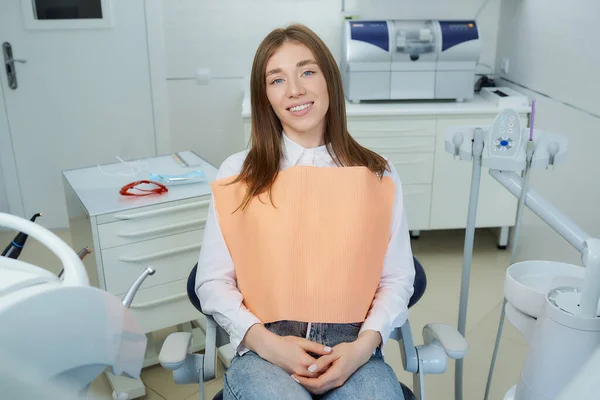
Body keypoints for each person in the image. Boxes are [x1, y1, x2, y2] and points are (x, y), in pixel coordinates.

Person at [196, 23, 415, 399]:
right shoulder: (239, 173)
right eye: (277, 80)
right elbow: (212, 282)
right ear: (264, 96)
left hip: (352, 350)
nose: (295, 89)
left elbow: (396, 278)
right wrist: (267, 344)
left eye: (307, 71)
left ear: (330, 79)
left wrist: (362, 348)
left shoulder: (376, 174)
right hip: (266, 351)